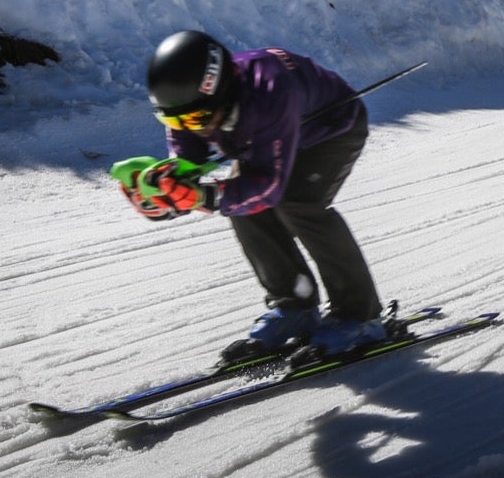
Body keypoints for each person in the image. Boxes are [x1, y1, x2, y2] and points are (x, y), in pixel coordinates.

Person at [120, 30, 388, 362]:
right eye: (174, 120)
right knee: (242, 204)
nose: (190, 127)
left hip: (330, 132)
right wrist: (166, 194)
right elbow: (190, 162)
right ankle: (295, 304)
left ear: (222, 91)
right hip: (270, 139)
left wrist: (205, 197)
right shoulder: (191, 106)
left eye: (195, 118)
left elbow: (269, 187)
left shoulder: (270, 92)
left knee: (298, 204)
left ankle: (360, 316)